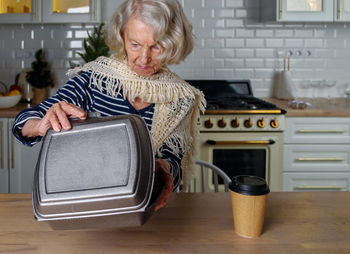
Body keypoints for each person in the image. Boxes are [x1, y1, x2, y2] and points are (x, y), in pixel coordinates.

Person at [12, 0, 205, 211]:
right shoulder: (94, 80)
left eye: (156, 46)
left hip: (147, 209)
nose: (144, 58)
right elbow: (22, 122)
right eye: (135, 44)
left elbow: (173, 164)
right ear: (122, 36)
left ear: (173, 43)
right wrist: (40, 125)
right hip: (87, 207)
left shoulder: (180, 97)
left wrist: (162, 170)